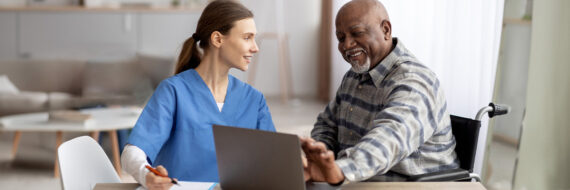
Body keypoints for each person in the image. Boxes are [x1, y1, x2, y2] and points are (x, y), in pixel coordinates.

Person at [121, 1, 275, 189]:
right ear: (218, 39)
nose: (255, 47)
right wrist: (146, 175)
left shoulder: (254, 100)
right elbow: (132, 152)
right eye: (247, 37)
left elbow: (272, 161)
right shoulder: (174, 91)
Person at [301, 0, 458, 184]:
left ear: (386, 30)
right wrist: (320, 155)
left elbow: (388, 139)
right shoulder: (353, 76)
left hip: (411, 185)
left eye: (357, 33)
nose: (347, 45)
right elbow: (327, 123)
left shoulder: (414, 81)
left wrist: (340, 170)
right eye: (341, 38)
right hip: (357, 181)